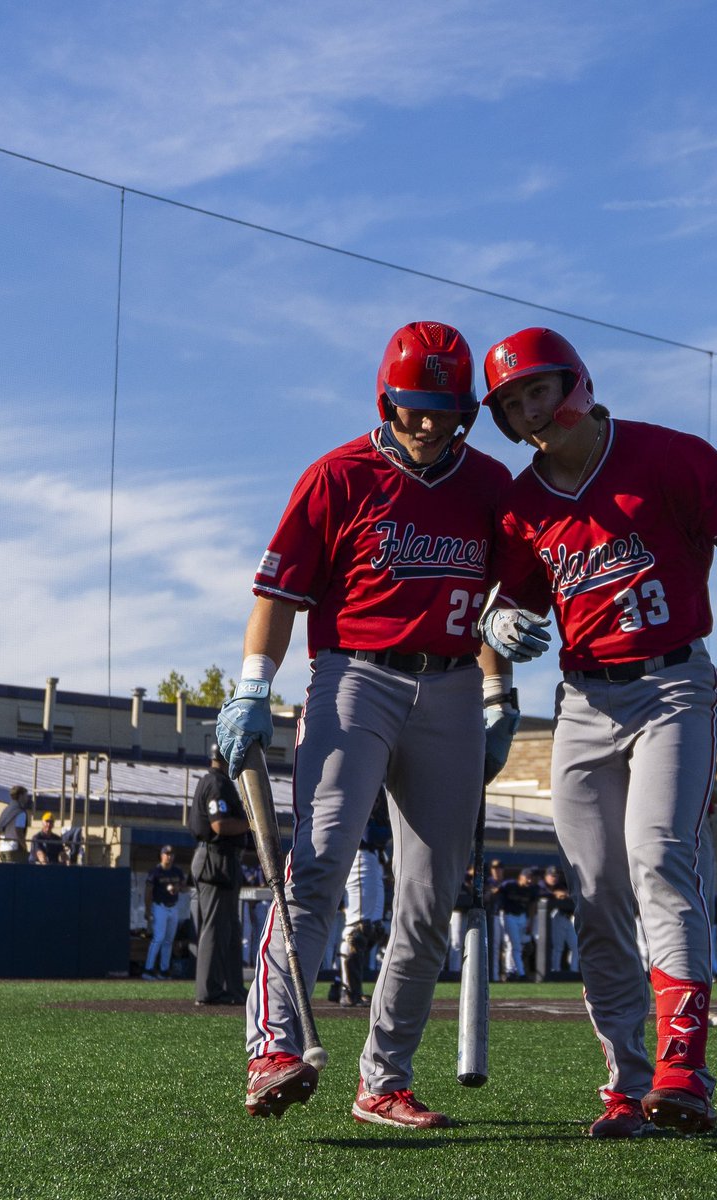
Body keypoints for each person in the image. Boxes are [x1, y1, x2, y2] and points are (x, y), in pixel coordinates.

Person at [478, 327, 717, 1138]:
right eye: (511, 402)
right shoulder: (522, 503)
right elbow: (503, 609)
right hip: (581, 703)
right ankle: (624, 1082)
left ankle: (684, 1067)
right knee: (598, 894)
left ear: (573, 383)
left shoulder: (673, 458)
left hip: (674, 685)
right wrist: (498, 669)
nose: (529, 411)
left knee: (656, 859)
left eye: (537, 390)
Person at [214, 321, 515, 1127]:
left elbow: (499, 610)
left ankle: (384, 1078)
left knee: (427, 896)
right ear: (388, 398)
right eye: (414, 406)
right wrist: (251, 687)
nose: (427, 422)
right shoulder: (338, 475)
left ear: (466, 410)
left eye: (443, 408)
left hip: (452, 688)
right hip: (354, 676)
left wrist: (499, 699)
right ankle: (274, 1049)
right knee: (317, 861)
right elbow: (276, 597)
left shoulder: (490, 484)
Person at [189, 745, 250, 1006]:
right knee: (214, 928)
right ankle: (209, 991)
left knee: (229, 929)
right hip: (215, 859)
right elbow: (219, 824)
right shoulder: (216, 783)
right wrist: (251, 822)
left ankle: (232, 988)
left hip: (219, 859)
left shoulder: (217, 780)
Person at [338, 799, 391, 1008]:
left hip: (374, 859)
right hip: (360, 855)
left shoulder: (383, 788)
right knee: (358, 928)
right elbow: (368, 833)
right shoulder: (362, 779)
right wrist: (387, 831)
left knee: (374, 929)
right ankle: (348, 990)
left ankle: (342, 984)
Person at [142, 846, 186, 981]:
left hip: (173, 907)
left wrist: (177, 888)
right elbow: (148, 891)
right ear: (161, 855)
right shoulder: (156, 871)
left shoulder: (177, 871)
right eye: (166, 854)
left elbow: (185, 886)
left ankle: (164, 970)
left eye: (171, 854)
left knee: (168, 940)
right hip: (159, 906)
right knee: (158, 938)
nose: (169, 856)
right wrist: (148, 910)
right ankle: (148, 969)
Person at [496, 866, 538, 980]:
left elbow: (532, 906)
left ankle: (513, 970)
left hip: (522, 917)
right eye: (527, 877)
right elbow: (497, 891)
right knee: (515, 945)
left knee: (522, 946)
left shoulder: (531, 889)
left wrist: (531, 922)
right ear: (521, 877)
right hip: (509, 916)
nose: (529, 880)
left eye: (531, 878)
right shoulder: (509, 885)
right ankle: (518, 972)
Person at [542, 864, 579, 974]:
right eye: (551, 875)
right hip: (556, 917)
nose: (554, 878)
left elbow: (570, 894)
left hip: (568, 918)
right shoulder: (543, 886)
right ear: (546, 876)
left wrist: (564, 895)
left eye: (555, 876)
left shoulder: (562, 885)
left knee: (575, 946)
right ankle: (555, 969)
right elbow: (541, 893)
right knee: (558, 947)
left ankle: (574, 970)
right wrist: (556, 894)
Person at [0, 786, 31, 863]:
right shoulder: (20, 812)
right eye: (25, 795)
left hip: (3, 848)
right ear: (20, 796)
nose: (27, 798)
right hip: (14, 849)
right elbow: (19, 831)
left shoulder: (6, 810)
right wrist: (25, 847)